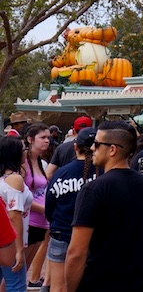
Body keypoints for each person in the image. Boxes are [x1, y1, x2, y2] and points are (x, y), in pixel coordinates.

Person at [65, 121, 143, 292]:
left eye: (96, 144)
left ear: (112, 149)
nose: (91, 149)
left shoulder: (93, 189)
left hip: (99, 284)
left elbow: (76, 252)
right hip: (138, 284)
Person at [44, 127, 97, 292]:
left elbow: (50, 206)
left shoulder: (62, 173)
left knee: (58, 287)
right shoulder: (103, 173)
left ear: (75, 147)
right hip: (93, 237)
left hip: (62, 231)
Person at [0, 136, 33, 292]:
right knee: (16, 286)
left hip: (4, 239)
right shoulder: (14, 179)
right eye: (23, 150)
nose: (26, 153)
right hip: (9, 243)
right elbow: (14, 216)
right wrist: (19, 250)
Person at [23, 122, 51, 289]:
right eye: (42, 137)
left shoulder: (40, 162)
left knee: (24, 267)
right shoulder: (23, 162)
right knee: (17, 269)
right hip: (29, 221)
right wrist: (46, 210)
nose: (46, 141)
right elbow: (22, 197)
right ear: (30, 139)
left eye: (48, 137)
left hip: (41, 222)